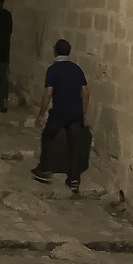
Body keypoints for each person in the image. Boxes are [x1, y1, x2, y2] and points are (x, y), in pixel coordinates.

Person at [28, 39, 91, 194]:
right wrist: (83, 114)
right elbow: (86, 92)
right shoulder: (77, 69)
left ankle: (44, 168)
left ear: (55, 51)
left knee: (48, 136)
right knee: (75, 144)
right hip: (75, 112)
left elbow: (48, 93)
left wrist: (41, 114)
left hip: (60, 112)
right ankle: (74, 179)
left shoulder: (53, 69)